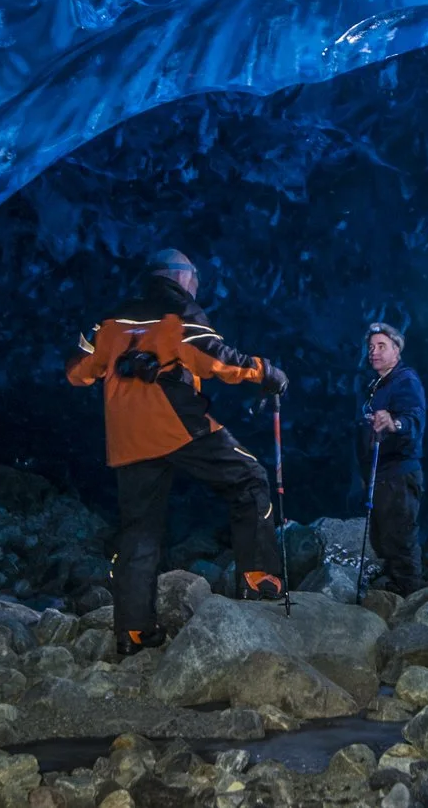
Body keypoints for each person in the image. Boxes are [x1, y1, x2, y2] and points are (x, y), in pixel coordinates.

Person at [66, 248, 292, 656]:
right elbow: (216, 360)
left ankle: (134, 632)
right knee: (249, 478)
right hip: (177, 425)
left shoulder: (111, 319)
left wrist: (120, 354)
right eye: (195, 277)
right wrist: (267, 372)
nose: (197, 285)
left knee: (140, 529)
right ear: (180, 276)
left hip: (127, 437)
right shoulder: (179, 310)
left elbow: (77, 373)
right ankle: (259, 581)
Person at [358, 322, 427, 596]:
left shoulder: (405, 381)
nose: (374, 352)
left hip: (399, 472)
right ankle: (392, 591)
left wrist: (394, 423)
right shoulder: (378, 384)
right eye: (371, 347)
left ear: (396, 349)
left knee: (400, 538)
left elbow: (414, 419)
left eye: (381, 346)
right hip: (381, 474)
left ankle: (408, 597)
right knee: (384, 536)